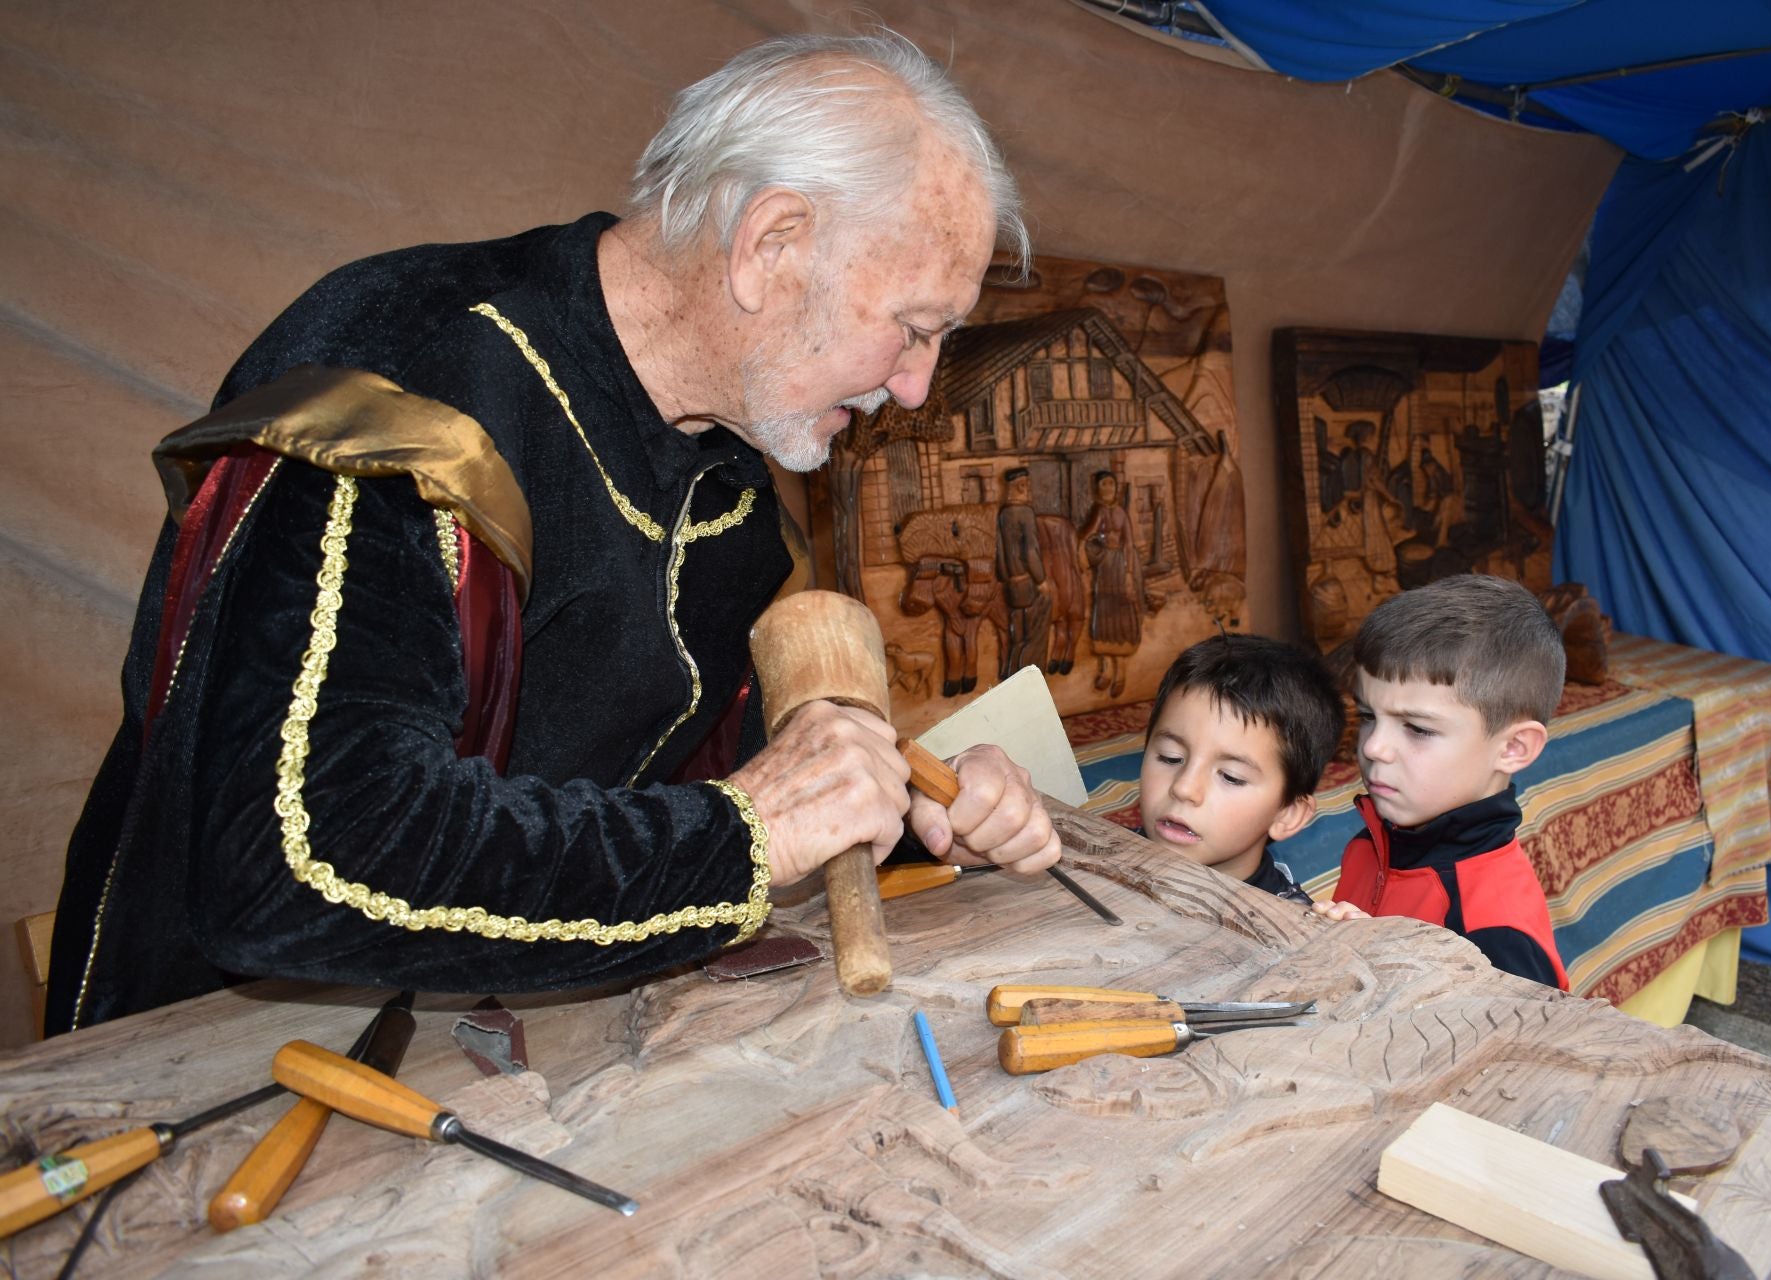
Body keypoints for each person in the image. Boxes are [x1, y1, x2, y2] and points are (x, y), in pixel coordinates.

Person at [45, 33, 1061, 1034]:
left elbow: (727, 780)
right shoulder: (409, 379)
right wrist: (748, 835)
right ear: (772, 245)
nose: (916, 385)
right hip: (211, 1059)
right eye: (913, 326)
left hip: (501, 1042)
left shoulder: (738, 488)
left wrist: (913, 815)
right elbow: (297, 852)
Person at [1312, 574, 1569, 989]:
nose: (1374, 747)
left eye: (1417, 728)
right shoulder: (1372, 843)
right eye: (1368, 717)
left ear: (1514, 748)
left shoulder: (1496, 936)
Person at [1136, 635, 1344, 898]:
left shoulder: (1290, 929)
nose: (1184, 787)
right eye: (1170, 757)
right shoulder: (1100, 850)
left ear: (1286, 814)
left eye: (1231, 777)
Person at [1078, 470, 1144, 698]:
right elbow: (1087, 533)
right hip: (1105, 567)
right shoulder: (1099, 511)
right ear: (1098, 488)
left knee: (1122, 615)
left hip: (1121, 564)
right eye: (1104, 484)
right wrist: (1082, 553)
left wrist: (1128, 573)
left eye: (1111, 484)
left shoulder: (1121, 513)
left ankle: (1121, 672)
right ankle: (1105, 669)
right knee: (1104, 613)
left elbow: (1129, 543)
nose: (1108, 488)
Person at [994, 467, 1051, 677]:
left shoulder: (1004, 513)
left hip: (1011, 584)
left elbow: (999, 550)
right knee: (1034, 632)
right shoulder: (1025, 513)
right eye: (1026, 486)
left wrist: (1005, 575)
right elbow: (1030, 551)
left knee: (1017, 634)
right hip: (1028, 583)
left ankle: (1013, 672)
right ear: (1020, 487)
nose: (1029, 490)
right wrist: (1041, 579)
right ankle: (1031, 676)